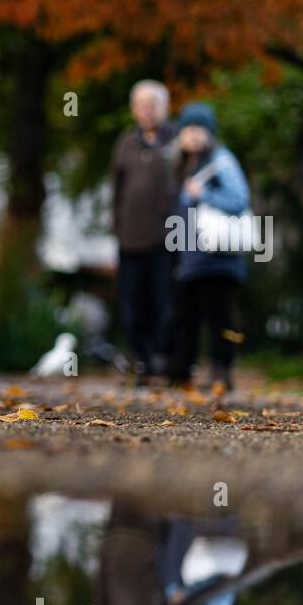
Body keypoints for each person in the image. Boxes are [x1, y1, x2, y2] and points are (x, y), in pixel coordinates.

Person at [167, 102, 251, 392]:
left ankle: (222, 372)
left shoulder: (222, 160)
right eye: (187, 129)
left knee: (220, 317)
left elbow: (239, 200)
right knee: (186, 317)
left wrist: (205, 194)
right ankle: (181, 373)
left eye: (198, 129)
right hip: (190, 256)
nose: (191, 135)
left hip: (217, 256)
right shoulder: (181, 163)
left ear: (209, 133)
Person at [110, 80, 178, 384]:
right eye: (142, 105)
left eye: (153, 105)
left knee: (164, 302)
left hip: (168, 239)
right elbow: (116, 189)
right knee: (132, 304)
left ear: (165, 108)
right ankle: (140, 360)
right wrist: (117, 227)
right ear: (134, 109)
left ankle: (162, 359)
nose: (147, 111)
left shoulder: (177, 141)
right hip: (130, 239)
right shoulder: (125, 143)